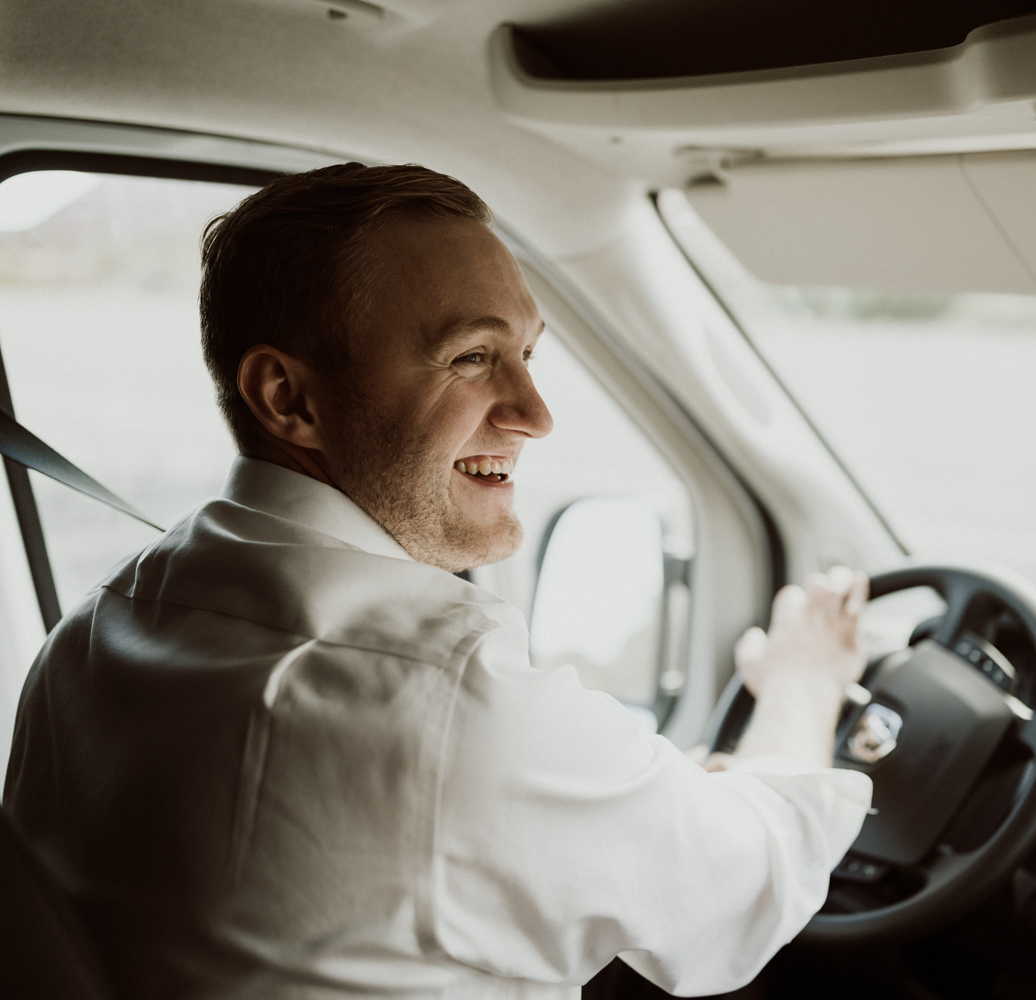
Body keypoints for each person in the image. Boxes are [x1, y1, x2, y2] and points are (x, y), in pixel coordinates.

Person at [3, 163, 873, 999]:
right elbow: (745, 889)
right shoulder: (440, 693)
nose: (535, 412)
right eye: (470, 358)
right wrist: (803, 686)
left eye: (529, 353)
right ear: (287, 397)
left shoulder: (93, 631)